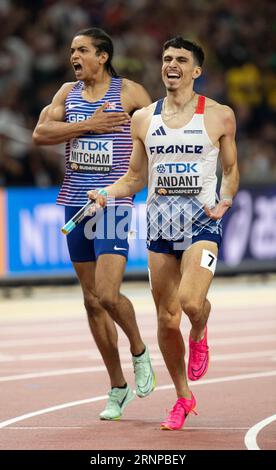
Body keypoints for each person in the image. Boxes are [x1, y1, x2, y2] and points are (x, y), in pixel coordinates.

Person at [88, 36, 239, 430]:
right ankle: (183, 398)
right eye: (166, 57)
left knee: (191, 304)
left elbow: (231, 169)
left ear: (196, 71)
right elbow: (136, 176)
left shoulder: (219, 115)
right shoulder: (144, 119)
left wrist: (226, 199)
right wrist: (107, 191)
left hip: (203, 223)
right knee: (167, 320)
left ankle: (202, 328)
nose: (171, 64)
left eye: (180, 59)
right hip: (160, 228)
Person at [32, 27, 156, 420]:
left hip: (114, 202)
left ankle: (138, 350)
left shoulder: (131, 92)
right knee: (90, 301)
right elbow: (40, 133)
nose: (74, 56)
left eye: (82, 50)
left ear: (102, 56)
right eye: (72, 50)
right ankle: (117, 387)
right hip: (74, 203)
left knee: (106, 293)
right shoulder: (66, 95)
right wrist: (88, 125)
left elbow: (159, 136)